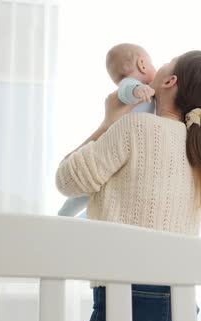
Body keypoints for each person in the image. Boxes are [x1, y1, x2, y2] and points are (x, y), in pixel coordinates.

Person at [56, 50, 201, 321]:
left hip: (129, 292)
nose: (158, 65)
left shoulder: (136, 127)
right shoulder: (200, 155)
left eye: (167, 62)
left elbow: (66, 180)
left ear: (169, 81)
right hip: (183, 301)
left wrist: (107, 122)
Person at [58, 43, 157, 217]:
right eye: (151, 63)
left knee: (95, 190)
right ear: (142, 64)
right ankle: (64, 215)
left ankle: (69, 216)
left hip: (116, 149)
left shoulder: (150, 95)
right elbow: (126, 90)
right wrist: (138, 89)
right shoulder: (132, 85)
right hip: (112, 145)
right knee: (88, 189)